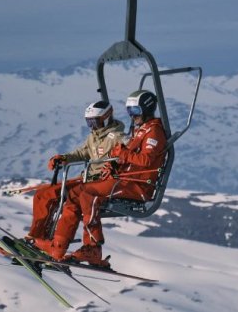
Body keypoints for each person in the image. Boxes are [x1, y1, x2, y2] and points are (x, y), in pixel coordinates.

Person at [34, 90, 168, 267]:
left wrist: (123, 154)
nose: (132, 116)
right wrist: (114, 163)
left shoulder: (154, 132)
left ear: (147, 109)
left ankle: (93, 248)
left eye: (135, 111)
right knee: (74, 195)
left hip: (138, 185)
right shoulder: (141, 130)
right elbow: (125, 157)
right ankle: (57, 247)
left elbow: (146, 160)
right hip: (124, 178)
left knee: (89, 193)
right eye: (129, 111)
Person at [26, 100, 125, 242]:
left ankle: (45, 240)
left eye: (95, 122)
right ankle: (37, 235)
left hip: (98, 182)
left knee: (58, 197)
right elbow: (82, 152)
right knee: (43, 194)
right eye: (89, 123)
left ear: (106, 118)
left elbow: (126, 156)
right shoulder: (94, 136)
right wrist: (64, 158)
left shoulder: (117, 137)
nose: (92, 126)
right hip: (87, 177)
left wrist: (115, 165)